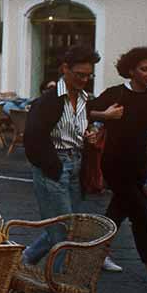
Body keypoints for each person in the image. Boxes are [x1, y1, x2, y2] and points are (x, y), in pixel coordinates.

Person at [23, 45, 120, 275]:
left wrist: (87, 136)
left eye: (88, 75)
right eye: (79, 74)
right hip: (55, 165)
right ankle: (58, 283)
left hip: (76, 164)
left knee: (67, 226)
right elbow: (32, 138)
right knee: (64, 230)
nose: (84, 80)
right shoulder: (48, 100)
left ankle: (26, 259)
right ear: (65, 69)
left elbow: (74, 129)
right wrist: (53, 166)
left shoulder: (84, 99)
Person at [89, 46, 147, 292]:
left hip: (139, 167)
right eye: (144, 69)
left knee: (117, 210)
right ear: (131, 70)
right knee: (140, 214)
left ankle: (98, 252)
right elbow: (87, 111)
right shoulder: (116, 93)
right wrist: (106, 115)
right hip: (115, 164)